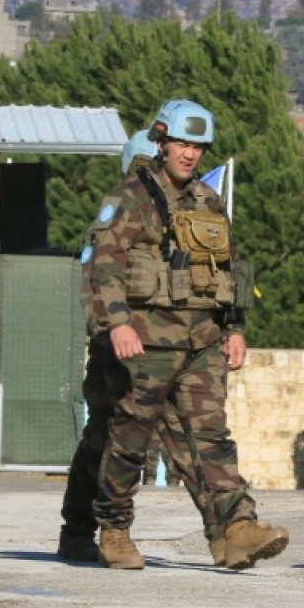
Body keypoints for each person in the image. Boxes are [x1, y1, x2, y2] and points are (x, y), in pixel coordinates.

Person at [87, 99, 289, 570]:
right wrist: (117, 324)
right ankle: (114, 529)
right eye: (181, 143)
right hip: (146, 341)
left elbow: (229, 269)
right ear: (161, 142)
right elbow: (105, 265)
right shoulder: (129, 197)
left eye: (198, 146)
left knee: (212, 437)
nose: (190, 154)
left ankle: (236, 530)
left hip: (202, 342)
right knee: (130, 440)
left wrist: (235, 328)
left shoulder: (208, 200)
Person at [58, 130, 221, 564]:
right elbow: (96, 277)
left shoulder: (182, 209)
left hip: (167, 346)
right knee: (106, 438)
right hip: (121, 347)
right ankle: (80, 530)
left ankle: (226, 530)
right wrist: (114, 331)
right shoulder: (122, 208)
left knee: (185, 439)